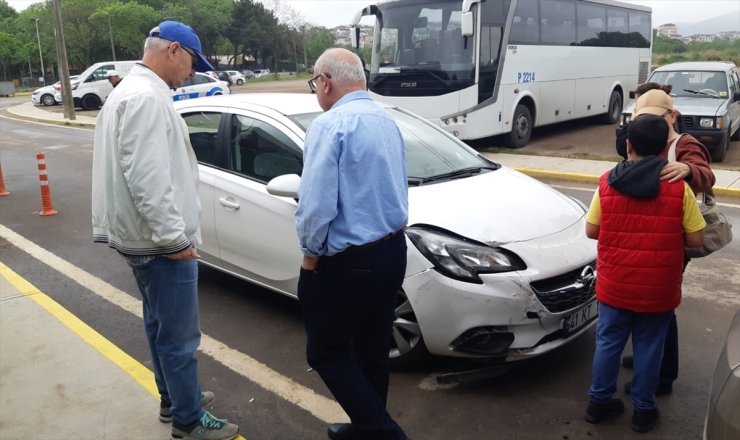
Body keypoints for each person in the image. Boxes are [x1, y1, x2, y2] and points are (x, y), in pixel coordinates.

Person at [91, 20, 239, 440]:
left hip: (141, 237)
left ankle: (173, 399)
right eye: (192, 61)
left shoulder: (130, 92)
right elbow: (148, 178)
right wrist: (174, 238)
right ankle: (188, 422)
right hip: (159, 242)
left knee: (158, 325)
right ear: (173, 50)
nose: (193, 72)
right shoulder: (145, 99)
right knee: (180, 337)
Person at [295, 48, 409, 440]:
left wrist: (309, 260)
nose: (316, 91)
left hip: (349, 263)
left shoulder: (329, 126)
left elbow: (315, 206)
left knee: (325, 351)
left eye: (315, 83)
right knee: (372, 348)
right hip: (393, 252)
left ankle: (383, 432)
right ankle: (366, 428)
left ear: (325, 81)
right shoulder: (386, 119)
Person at [583, 113, 705, 433]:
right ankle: (644, 410)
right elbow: (696, 240)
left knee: (608, 343)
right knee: (650, 347)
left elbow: (592, 231)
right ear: (664, 148)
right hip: (658, 287)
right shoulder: (679, 189)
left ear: (628, 145)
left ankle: (598, 402)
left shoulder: (607, 181)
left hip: (614, 285)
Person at [620, 89, 716, 397]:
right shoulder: (647, 139)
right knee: (646, 304)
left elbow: (706, 174)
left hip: (673, 239)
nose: (649, 125)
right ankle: (649, 356)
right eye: (641, 120)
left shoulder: (684, 144)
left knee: (662, 307)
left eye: (655, 119)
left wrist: (688, 169)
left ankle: (664, 376)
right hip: (648, 235)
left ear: (672, 117)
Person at [615, 82, 674, 159]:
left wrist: (634, 120)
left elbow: (622, 148)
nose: (636, 107)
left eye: (638, 103)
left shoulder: (658, 125)